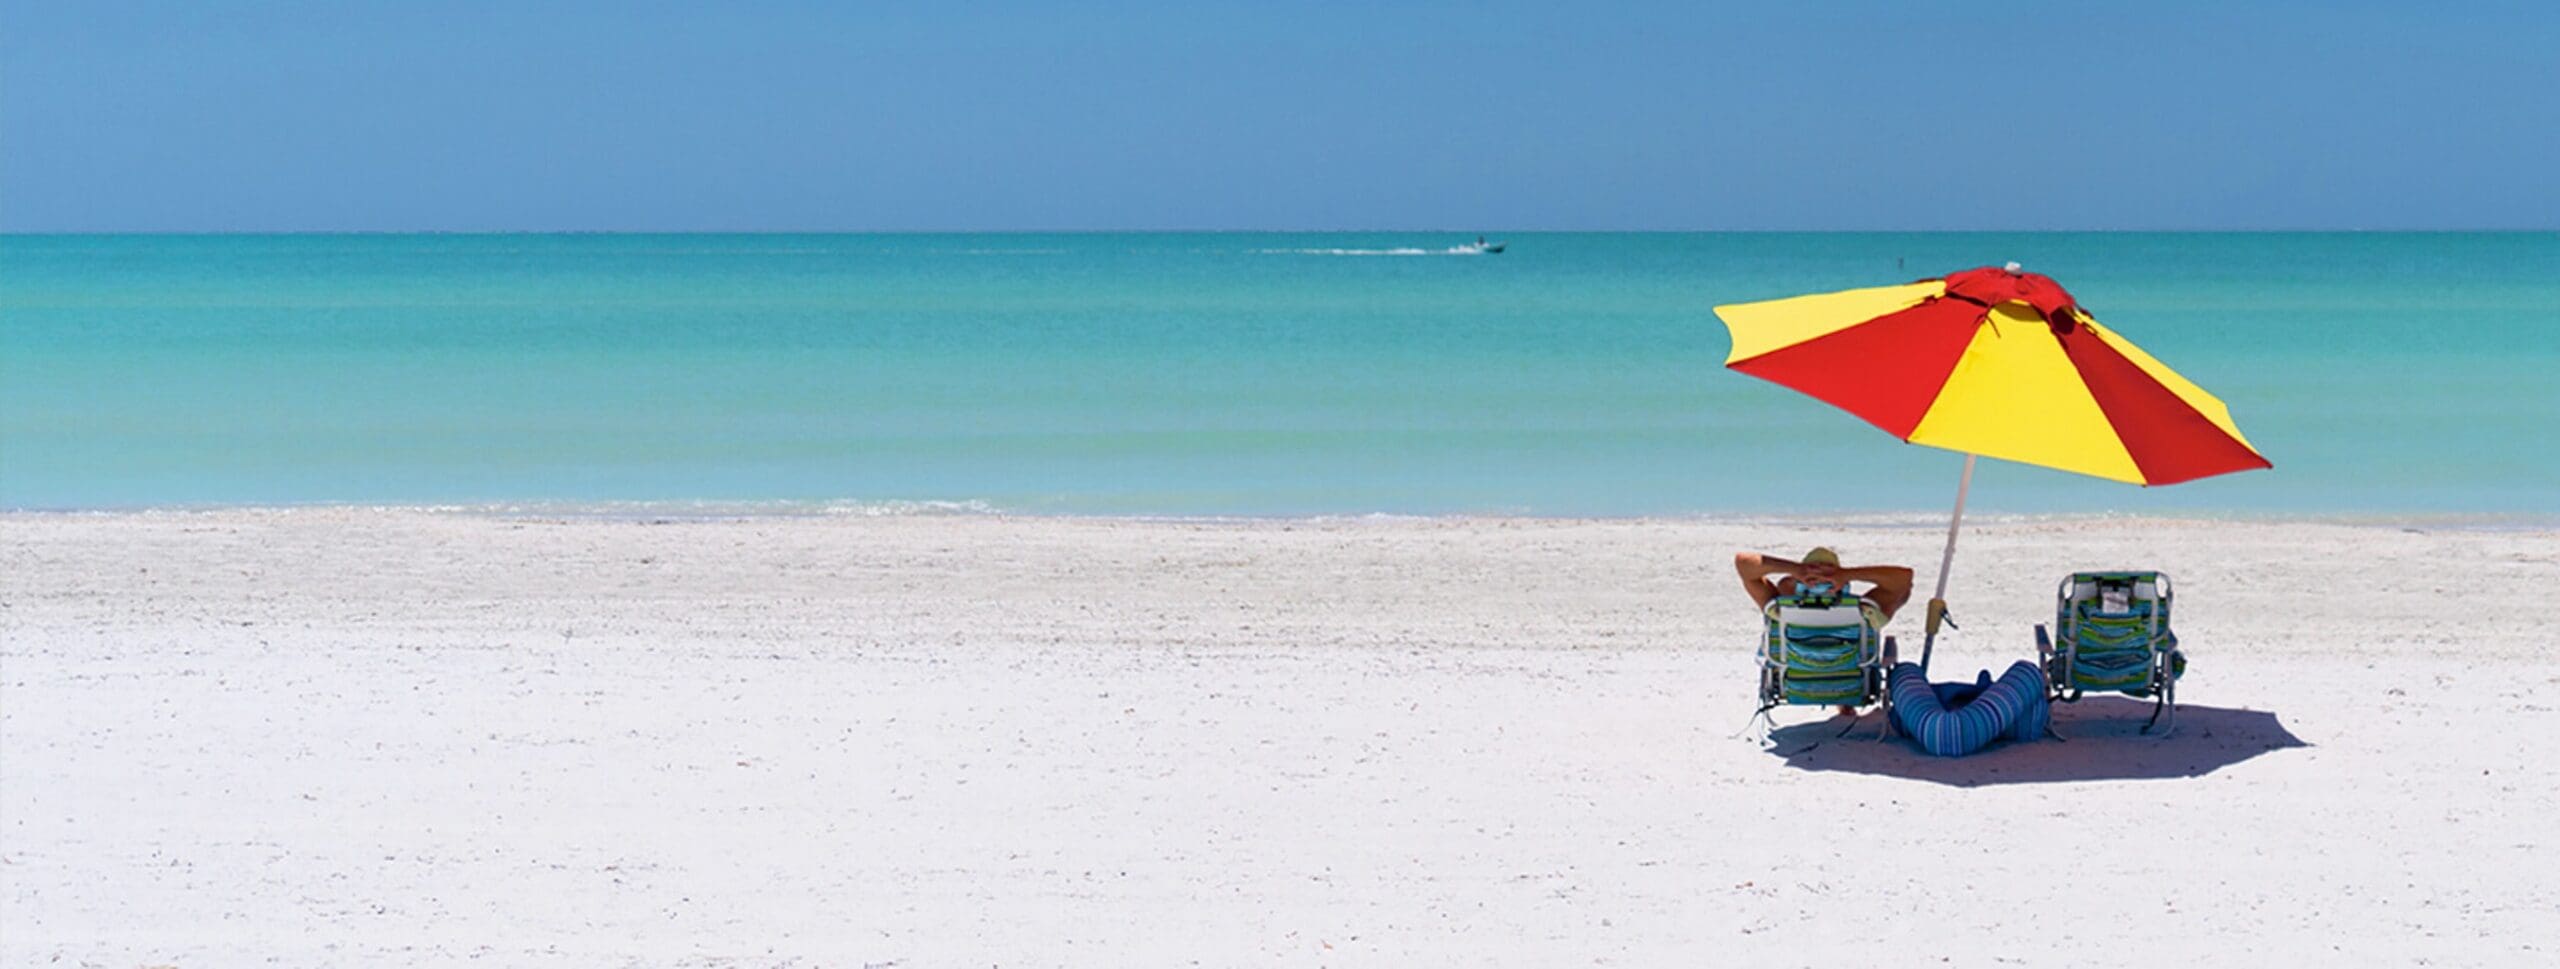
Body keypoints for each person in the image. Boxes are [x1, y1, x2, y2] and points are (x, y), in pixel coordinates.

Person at [1734, 547, 1915, 715]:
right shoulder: (1864, 610)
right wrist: (1847, 574)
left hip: (1793, 685)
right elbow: (1905, 578)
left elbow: (1743, 563)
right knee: (1901, 594)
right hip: (1853, 685)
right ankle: (1844, 699)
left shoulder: (1778, 609)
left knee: (1784, 590)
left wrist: (1795, 569)